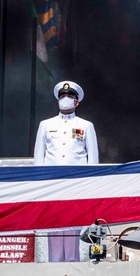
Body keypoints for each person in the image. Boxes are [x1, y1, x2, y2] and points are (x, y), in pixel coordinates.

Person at [34, 81, 99, 262]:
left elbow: (92, 160)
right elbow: (38, 159)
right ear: (57, 101)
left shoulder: (86, 126)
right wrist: (38, 186)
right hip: (51, 185)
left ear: (77, 102)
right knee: (53, 228)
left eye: (70, 97)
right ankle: (54, 265)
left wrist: (91, 188)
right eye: (62, 97)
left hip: (75, 185)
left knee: (72, 228)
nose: (65, 100)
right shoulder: (45, 125)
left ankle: (72, 264)